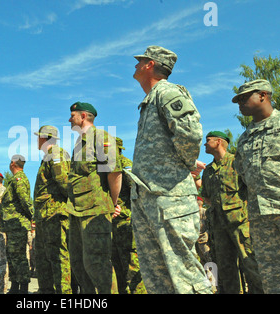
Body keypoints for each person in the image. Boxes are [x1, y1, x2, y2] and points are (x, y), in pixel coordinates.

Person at [130, 45, 212, 294]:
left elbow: (190, 134)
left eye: (140, 60)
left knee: (183, 272)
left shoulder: (167, 92)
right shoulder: (149, 101)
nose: (135, 65)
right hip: (149, 197)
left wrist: (185, 164)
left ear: (150, 65)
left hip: (170, 197)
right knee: (157, 276)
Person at [232, 79, 280, 294]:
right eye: (237, 100)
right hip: (260, 217)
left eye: (244, 98)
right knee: (273, 277)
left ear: (263, 95)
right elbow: (242, 177)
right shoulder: (245, 138)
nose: (240, 104)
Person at [67, 101, 122, 294]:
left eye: (72, 115)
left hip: (95, 210)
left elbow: (114, 172)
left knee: (96, 263)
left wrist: (113, 203)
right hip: (76, 211)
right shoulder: (78, 143)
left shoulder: (101, 137)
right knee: (78, 263)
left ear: (83, 116)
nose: (69, 119)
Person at [201, 131, 263, 294]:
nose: (204, 144)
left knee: (250, 264)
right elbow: (206, 197)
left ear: (219, 141)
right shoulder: (207, 170)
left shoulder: (237, 162)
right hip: (218, 227)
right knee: (226, 268)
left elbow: (252, 188)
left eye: (208, 141)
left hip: (241, 224)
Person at [33, 125, 72, 294]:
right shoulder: (48, 156)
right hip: (45, 215)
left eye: (38, 137)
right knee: (43, 258)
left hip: (55, 214)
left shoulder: (56, 153)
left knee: (58, 257)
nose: (36, 140)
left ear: (44, 138)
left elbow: (64, 182)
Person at [112, 137, 145, 294]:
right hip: (114, 225)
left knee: (132, 269)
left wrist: (124, 211)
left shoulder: (125, 165)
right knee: (118, 270)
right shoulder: (107, 167)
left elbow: (137, 192)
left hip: (127, 223)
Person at [1, 154, 34, 294]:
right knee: (12, 256)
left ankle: (23, 288)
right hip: (12, 225)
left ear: (13, 163)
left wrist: (33, 215)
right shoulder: (14, 180)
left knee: (19, 257)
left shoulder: (19, 179)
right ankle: (15, 286)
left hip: (18, 225)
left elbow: (25, 200)